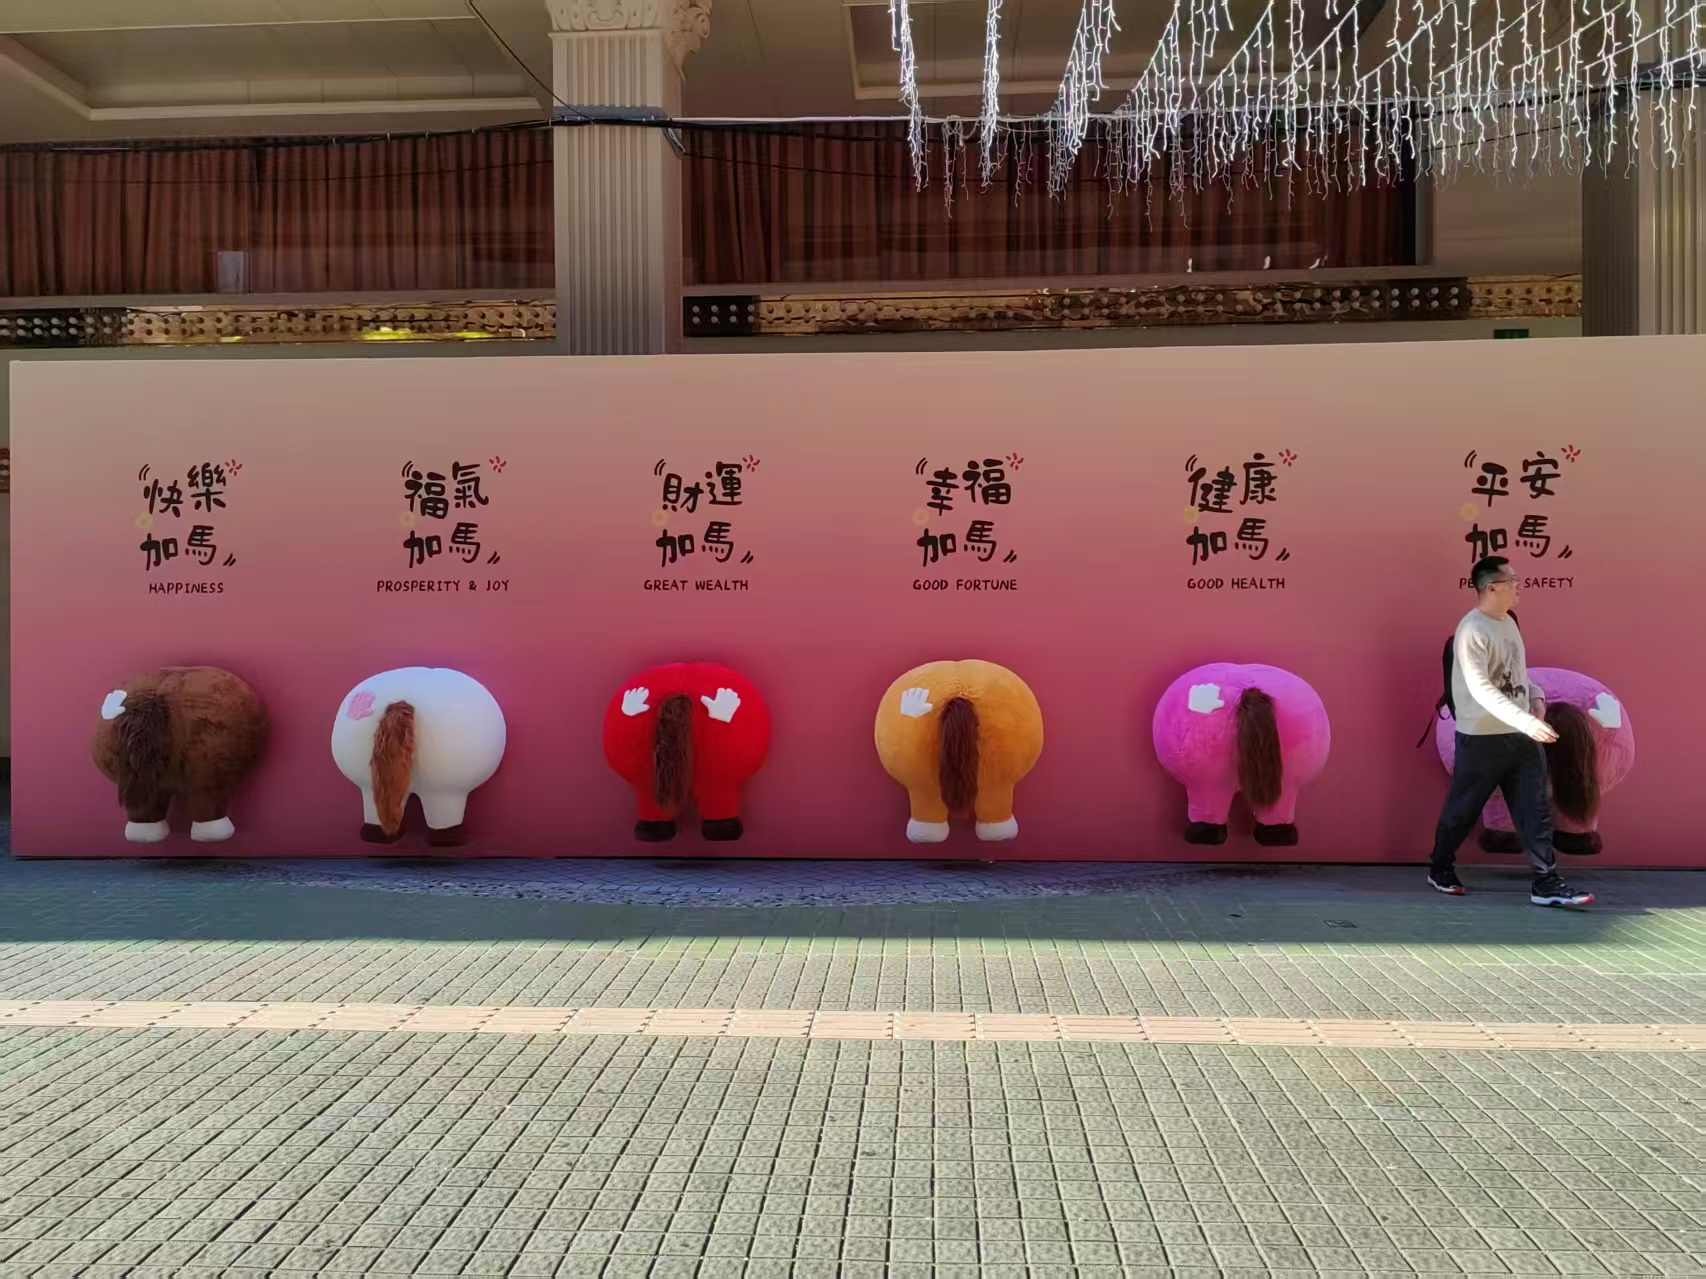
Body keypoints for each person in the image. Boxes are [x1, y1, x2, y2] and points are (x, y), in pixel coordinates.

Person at [1428, 556, 1594, 907]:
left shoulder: (1508, 623)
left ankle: (1546, 881)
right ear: (1491, 588)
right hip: (1482, 739)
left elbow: (1517, 674)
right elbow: (1480, 687)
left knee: (1535, 809)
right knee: (1463, 809)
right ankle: (1440, 867)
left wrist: (1536, 697)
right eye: (1512, 580)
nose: (1519, 585)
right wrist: (1526, 721)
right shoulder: (1471, 631)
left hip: (1521, 736)